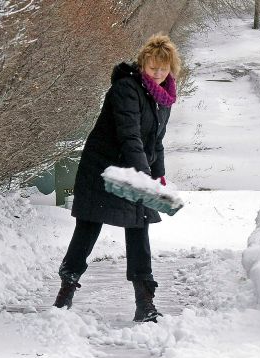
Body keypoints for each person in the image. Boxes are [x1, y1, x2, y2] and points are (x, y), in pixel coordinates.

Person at [52, 33, 181, 322]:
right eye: (153, 67)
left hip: (134, 167)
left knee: (139, 225)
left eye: (163, 68)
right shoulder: (126, 89)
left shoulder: (164, 98)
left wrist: (158, 174)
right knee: (89, 224)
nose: (158, 73)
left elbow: (156, 141)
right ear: (143, 64)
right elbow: (130, 136)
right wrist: (143, 175)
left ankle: (144, 302)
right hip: (104, 167)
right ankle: (66, 289)